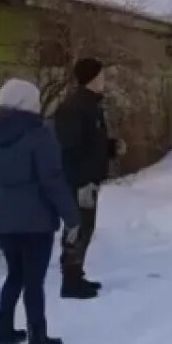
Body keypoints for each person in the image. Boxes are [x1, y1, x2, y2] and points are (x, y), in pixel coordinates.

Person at [0, 78, 81, 344]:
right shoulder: (39, 135)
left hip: (4, 215)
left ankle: (3, 330)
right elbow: (51, 179)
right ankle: (37, 336)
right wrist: (71, 217)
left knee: (15, 274)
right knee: (33, 279)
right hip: (36, 217)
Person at [52, 57, 124, 300]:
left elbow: (93, 143)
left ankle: (76, 274)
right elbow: (71, 147)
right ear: (92, 77)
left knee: (86, 226)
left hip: (89, 178)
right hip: (79, 180)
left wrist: (111, 148)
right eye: (102, 75)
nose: (104, 80)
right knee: (77, 227)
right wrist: (82, 180)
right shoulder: (75, 108)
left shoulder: (92, 106)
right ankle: (69, 281)